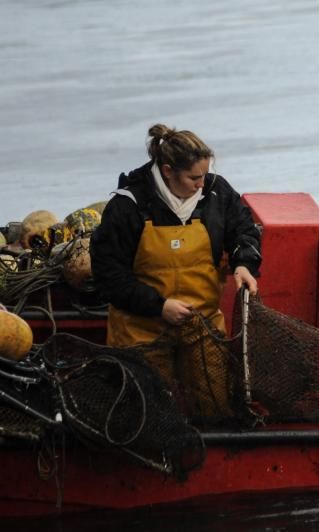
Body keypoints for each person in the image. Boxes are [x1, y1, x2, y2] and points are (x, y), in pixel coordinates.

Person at [90, 124, 261, 422]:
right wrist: (159, 306)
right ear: (168, 171)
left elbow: (243, 230)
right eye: (194, 178)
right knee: (148, 415)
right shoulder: (128, 205)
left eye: (204, 176)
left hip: (202, 325)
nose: (201, 184)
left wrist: (244, 264)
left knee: (214, 407)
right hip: (141, 330)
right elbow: (109, 276)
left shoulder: (216, 192)